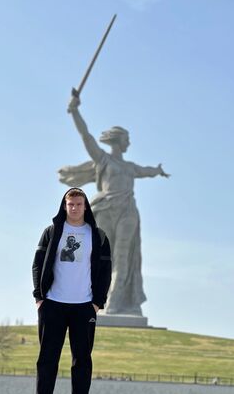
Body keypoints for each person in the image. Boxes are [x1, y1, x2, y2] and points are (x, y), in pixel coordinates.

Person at [59, 94, 169, 316]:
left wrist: (157, 170)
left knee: (123, 256)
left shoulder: (130, 167)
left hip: (127, 211)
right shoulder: (103, 159)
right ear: (118, 140)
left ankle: (116, 302)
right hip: (106, 210)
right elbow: (86, 136)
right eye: (127, 139)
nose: (129, 143)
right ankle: (98, 298)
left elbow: (146, 171)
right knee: (102, 257)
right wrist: (75, 111)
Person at [23, 187, 112, 394]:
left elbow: (106, 271)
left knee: (82, 358)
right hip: (52, 303)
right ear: (64, 206)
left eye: (79, 204)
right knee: (47, 356)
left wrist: (97, 302)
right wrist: (39, 297)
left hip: (84, 306)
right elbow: (37, 264)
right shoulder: (52, 232)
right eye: (70, 204)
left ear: (85, 206)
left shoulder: (98, 235)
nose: (74, 208)